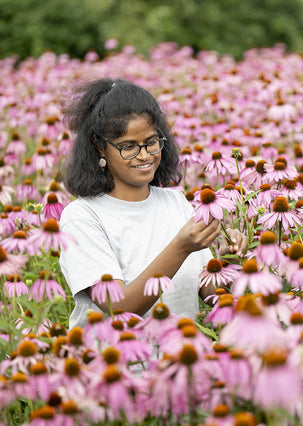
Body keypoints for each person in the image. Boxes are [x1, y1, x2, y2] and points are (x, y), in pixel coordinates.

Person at [59, 78, 246, 329]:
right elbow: (120, 308)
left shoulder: (175, 202)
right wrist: (181, 247)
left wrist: (227, 262)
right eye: (128, 147)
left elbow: (207, 291)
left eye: (151, 142)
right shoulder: (82, 217)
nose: (144, 155)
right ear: (99, 146)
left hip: (180, 359)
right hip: (113, 363)